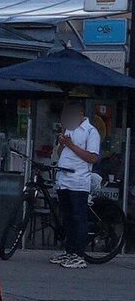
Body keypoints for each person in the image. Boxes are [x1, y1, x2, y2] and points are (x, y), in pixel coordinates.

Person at [51, 101, 101, 270]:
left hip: (78, 181)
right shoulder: (69, 129)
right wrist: (63, 143)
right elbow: (59, 153)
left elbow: (93, 157)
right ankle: (69, 251)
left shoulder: (90, 132)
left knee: (79, 218)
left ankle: (79, 254)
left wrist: (72, 145)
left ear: (80, 113)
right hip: (63, 180)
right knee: (68, 218)